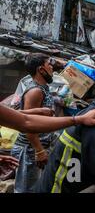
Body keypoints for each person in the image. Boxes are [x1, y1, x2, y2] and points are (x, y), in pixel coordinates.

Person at [10, 53, 60, 193]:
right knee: (27, 190)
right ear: (41, 70)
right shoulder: (35, 91)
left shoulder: (44, 88)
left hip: (36, 148)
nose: (52, 68)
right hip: (30, 149)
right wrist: (39, 150)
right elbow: (28, 124)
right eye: (49, 64)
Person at [0, 102, 95, 133]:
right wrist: (79, 119)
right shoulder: (35, 91)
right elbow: (26, 122)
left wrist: (38, 110)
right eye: (48, 64)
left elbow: (16, 115)